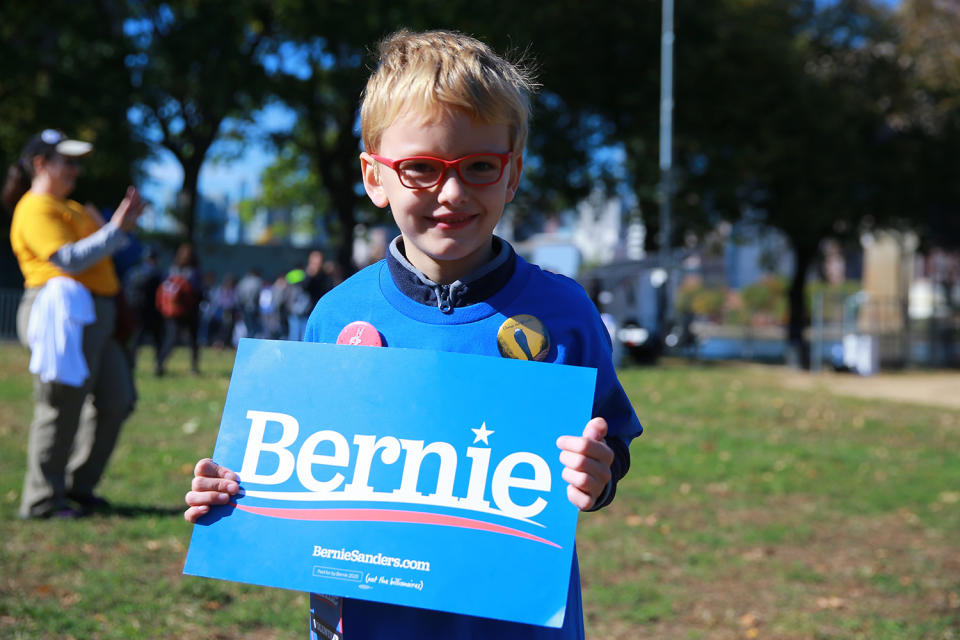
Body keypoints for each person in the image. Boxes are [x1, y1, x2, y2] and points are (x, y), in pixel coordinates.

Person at [184, 30, 642, 639]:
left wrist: (598, 476)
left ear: (513, 174)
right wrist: (237, 493)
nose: (451, 192)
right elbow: (299, 471)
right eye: (421, 168)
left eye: (480, 166)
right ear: (375, 177)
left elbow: (612, 447)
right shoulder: (334, 316)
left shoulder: (564, 314)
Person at [3, 128, 144, 519]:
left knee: (118, 400)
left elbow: (123, 254)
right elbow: (68, 260)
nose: (75, 170)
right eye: (67, 161)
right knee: (61, 406)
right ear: (40, 164)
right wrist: (114, 231)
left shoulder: (75, 208)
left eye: (76, 162)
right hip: (61, 314)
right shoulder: (34, 208)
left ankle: (77, 486)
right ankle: (42, 499)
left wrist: (121, 231)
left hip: (98, 315)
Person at [155, 242, 203, 376]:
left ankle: (160, 363)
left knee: (170, 338)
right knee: (193, 340)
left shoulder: (172, 269)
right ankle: (194, 367)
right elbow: (199, 291)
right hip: (190, 311)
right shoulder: (194, 271)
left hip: (172, 311)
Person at [123, 246, 165, 370]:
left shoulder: (133, 272)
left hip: (136, 310)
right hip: (152, 311)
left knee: (136, 339)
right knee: (157, 339)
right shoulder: (156, 274)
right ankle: (158, 364)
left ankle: (132, 362)